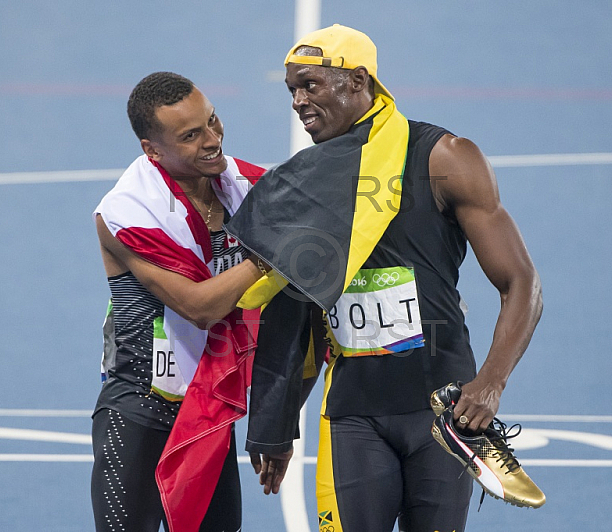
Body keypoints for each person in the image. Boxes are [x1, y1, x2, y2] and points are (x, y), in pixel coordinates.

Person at [227, 25, 543, 532]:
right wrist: (276, 422)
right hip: (356, 412)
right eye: (292, 90)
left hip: (442, 413)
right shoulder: (304, 180)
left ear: (357, 80)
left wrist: (491, 382)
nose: (299, 101)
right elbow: (295, 308)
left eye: (310, 85)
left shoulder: (445, 158)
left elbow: (521, 283)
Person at [90, 71, 302, 532]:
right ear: (152, 151)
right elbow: (201, 308)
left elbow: (294, 307)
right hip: (139, 410)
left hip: (209, 407)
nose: (213, 140)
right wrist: (275, 253)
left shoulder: (247, 188)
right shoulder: (125, 213)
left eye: (212, 120)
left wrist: (275, 425)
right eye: (191, 136)